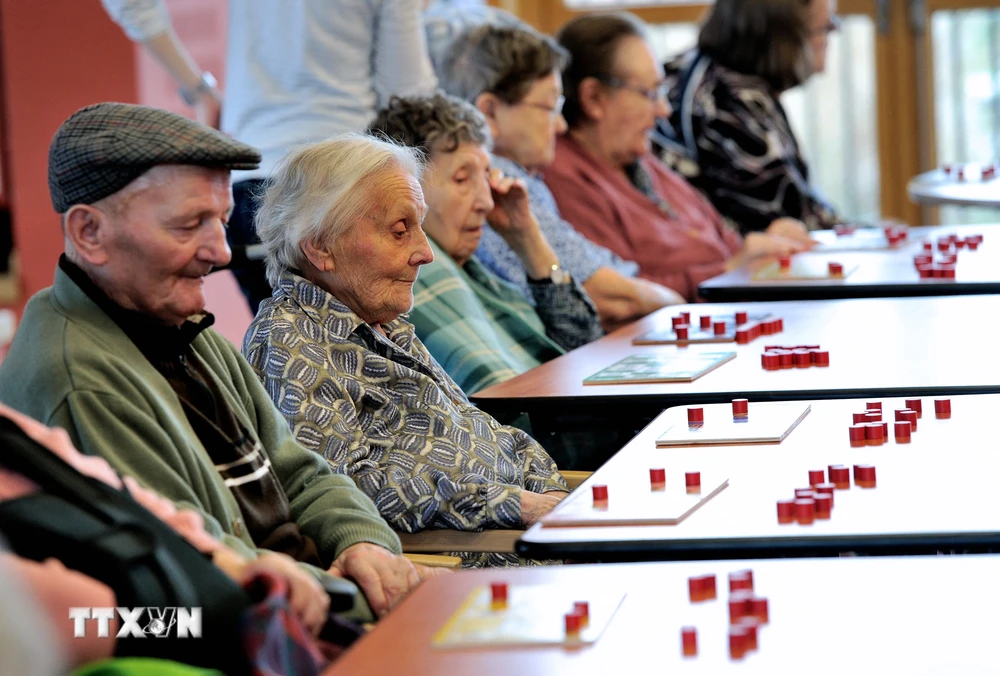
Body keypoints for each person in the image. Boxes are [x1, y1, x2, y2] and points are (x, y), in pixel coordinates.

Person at [0, 102, 436, 622]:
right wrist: (367, 595)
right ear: (89, 233)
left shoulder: (180, 326)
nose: (222, 251)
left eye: (222, 221)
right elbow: (199, 572)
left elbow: (303, 474)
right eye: (190, 225)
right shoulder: (77, 380)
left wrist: (363, 544)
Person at [242, 134, 570, 567]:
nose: (426, 252)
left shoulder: (383, 324)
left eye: (419, 225)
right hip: (467, 574)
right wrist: (515, 505)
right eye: (400, 231)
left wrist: (550, 492)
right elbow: (340, 491)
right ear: (320, 246)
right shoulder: (292, 341)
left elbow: (481, 430)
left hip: (535, 538)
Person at [101, 0, 438, 312]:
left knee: (291, 354)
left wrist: (199, 91)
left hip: (253, 185)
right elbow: (408, 94)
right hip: (345, 191)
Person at [0, 402, 343, 674]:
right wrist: (202, 621)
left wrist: (233, 566)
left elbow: (121, 494)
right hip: (151, 636)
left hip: (190, 617)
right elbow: (76, 618)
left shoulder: (10, 426)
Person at [431, 19, 685, 331]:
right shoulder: (498, 185)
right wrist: (675, 305)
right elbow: (607, 296)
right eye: (550, 107)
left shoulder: (527, 179)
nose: (560, 125)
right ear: (490, 112)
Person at [545, 12, 815, 302]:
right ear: (594, 98)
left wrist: (766, 243)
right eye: (649, 93)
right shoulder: (565, 177)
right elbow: (621, 294)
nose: (664, 110)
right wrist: (726, 272)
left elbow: (727, 244)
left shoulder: (641, 159)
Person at [368, 93, 602, 393]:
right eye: (463, 180)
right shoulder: (411, 284)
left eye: (487, 177)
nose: (487, 202)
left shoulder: (477, 275)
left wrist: (528, 238)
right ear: (407, 190)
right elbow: (509, 405)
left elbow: (586, 342)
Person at [655, 0, 843, 233]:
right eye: (826, 27)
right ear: (782, 34)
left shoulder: (699, 70)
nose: (833, 35)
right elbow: (796, 224)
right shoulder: (727, 102)